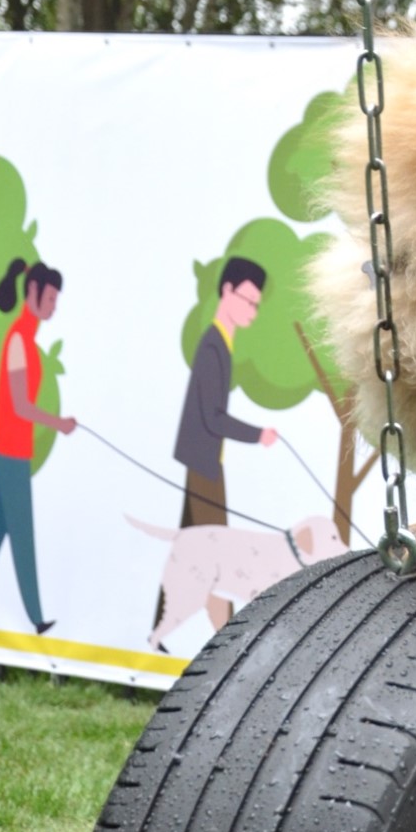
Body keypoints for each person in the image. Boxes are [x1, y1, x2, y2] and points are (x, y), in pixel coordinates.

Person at [0, 258, 76, 634]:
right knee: (21, 534)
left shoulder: (25, 339)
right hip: (11, 451)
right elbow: (21, 405)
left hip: (12, 448)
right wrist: (58, 423)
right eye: (51, 297)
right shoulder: (17, 340)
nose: (54, 305)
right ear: (33, 292)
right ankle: (36, 617)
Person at [168, 256, 277, 632]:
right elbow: (213, 417)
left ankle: (158, 632)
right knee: (215, 553)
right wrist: (257, 434)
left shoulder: (221, 344)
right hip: (204, 463)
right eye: (247, 300)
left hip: (204, 459)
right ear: (226, 291)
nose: (251, 310)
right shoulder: (213, 346)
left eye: (256, 305)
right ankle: (226, 641)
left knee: (190, 546)